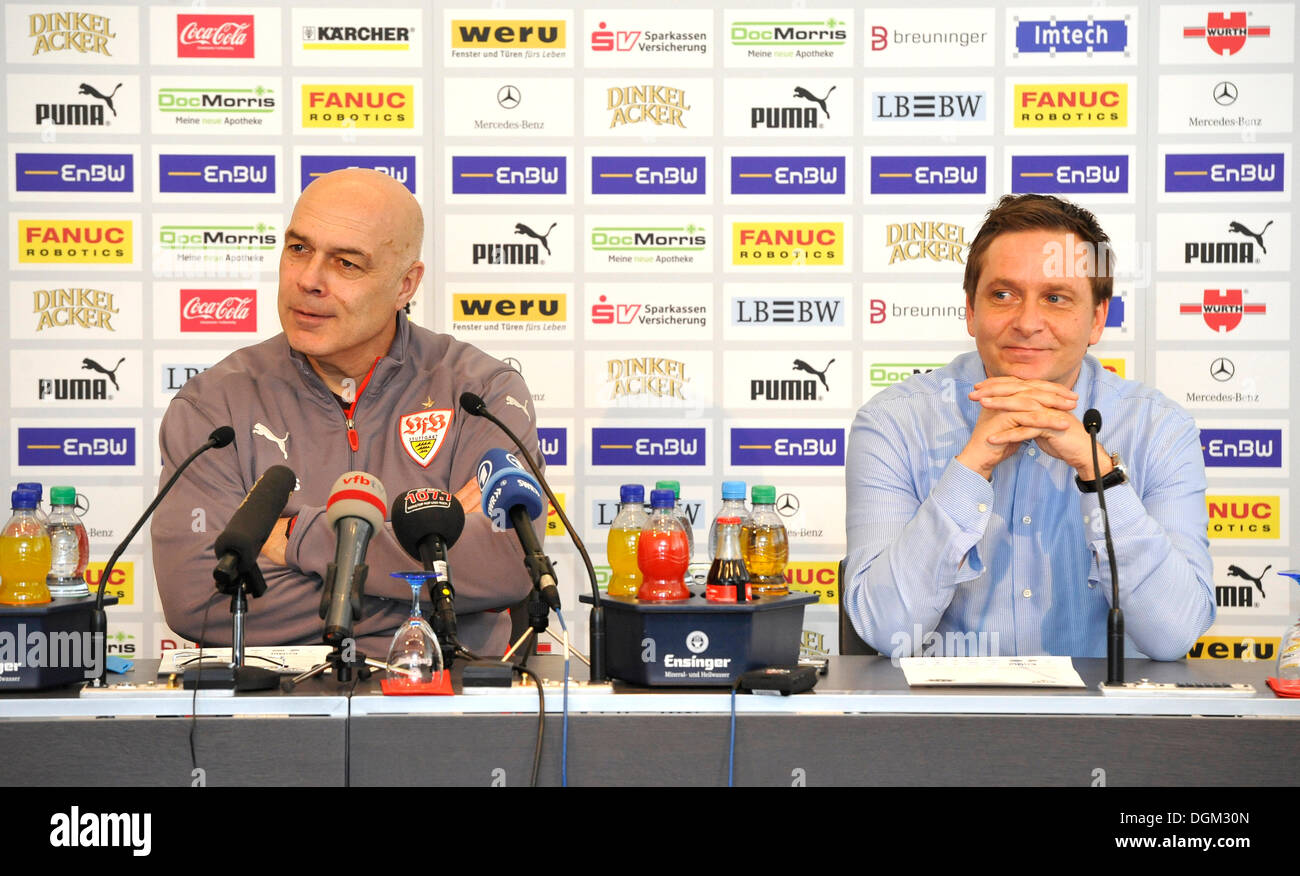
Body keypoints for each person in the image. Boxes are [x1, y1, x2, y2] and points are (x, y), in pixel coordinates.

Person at [152, 169, 542, 657]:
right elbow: (200, 599)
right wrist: (439, 606)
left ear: (406, 285)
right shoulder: (213, 406)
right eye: (298, 249)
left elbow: (509, 565)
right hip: (269, 713)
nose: (309, 280)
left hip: (445, 704)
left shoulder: (480, 393)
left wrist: (296, 536)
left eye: (346, 264)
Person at [844, 194, 1213, 661]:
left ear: (1097, 318)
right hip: (941, 726)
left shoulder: (1160, 428)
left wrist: (1100, 474)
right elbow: (885, 627)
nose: (1027, 323)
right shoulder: (894, 423)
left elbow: (1174, 635)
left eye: (1056, 298)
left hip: (1106, 726)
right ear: (971, 311)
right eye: (1003, 295)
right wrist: (972, 465)